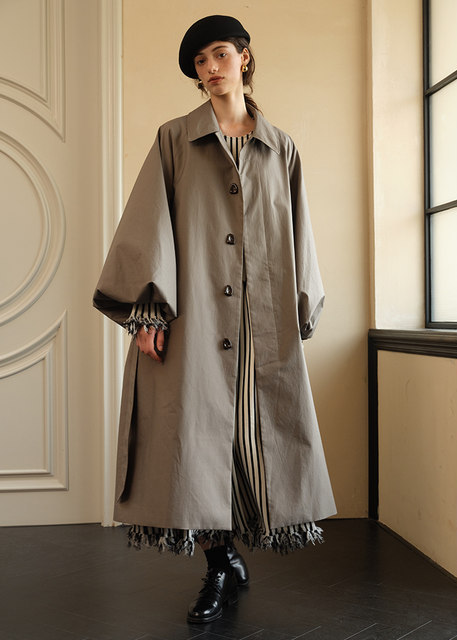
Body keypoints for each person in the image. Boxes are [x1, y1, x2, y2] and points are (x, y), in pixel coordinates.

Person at [93, 14, 336, 624]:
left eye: (220, 54)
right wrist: (148, 310)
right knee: (196, 441)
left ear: (244, 57)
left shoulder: (280, 148)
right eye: (200, 61)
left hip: (262, 323)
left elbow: (300, 233)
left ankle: (229, 559)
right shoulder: (175, 140)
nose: (210, 68)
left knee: (250, 441)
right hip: (197, 318)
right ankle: (219, 563)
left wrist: (301, 306)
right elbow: (149, 221)